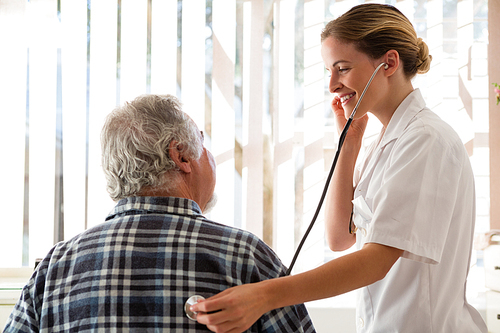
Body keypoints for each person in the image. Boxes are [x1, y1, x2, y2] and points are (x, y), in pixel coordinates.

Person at [191, 4, 488, 333]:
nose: (332, 85)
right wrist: (348, 146)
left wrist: (264, 296)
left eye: (342, 69)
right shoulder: (386, 143)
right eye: (329, 72)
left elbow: (376, 260)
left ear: (388, 63)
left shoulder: (425, 141)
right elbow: (339, 238)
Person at [3, 94, 316, 333]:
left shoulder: (56, 267)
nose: (212, 157)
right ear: (180, 155)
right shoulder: (245, 257)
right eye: (203, 144)